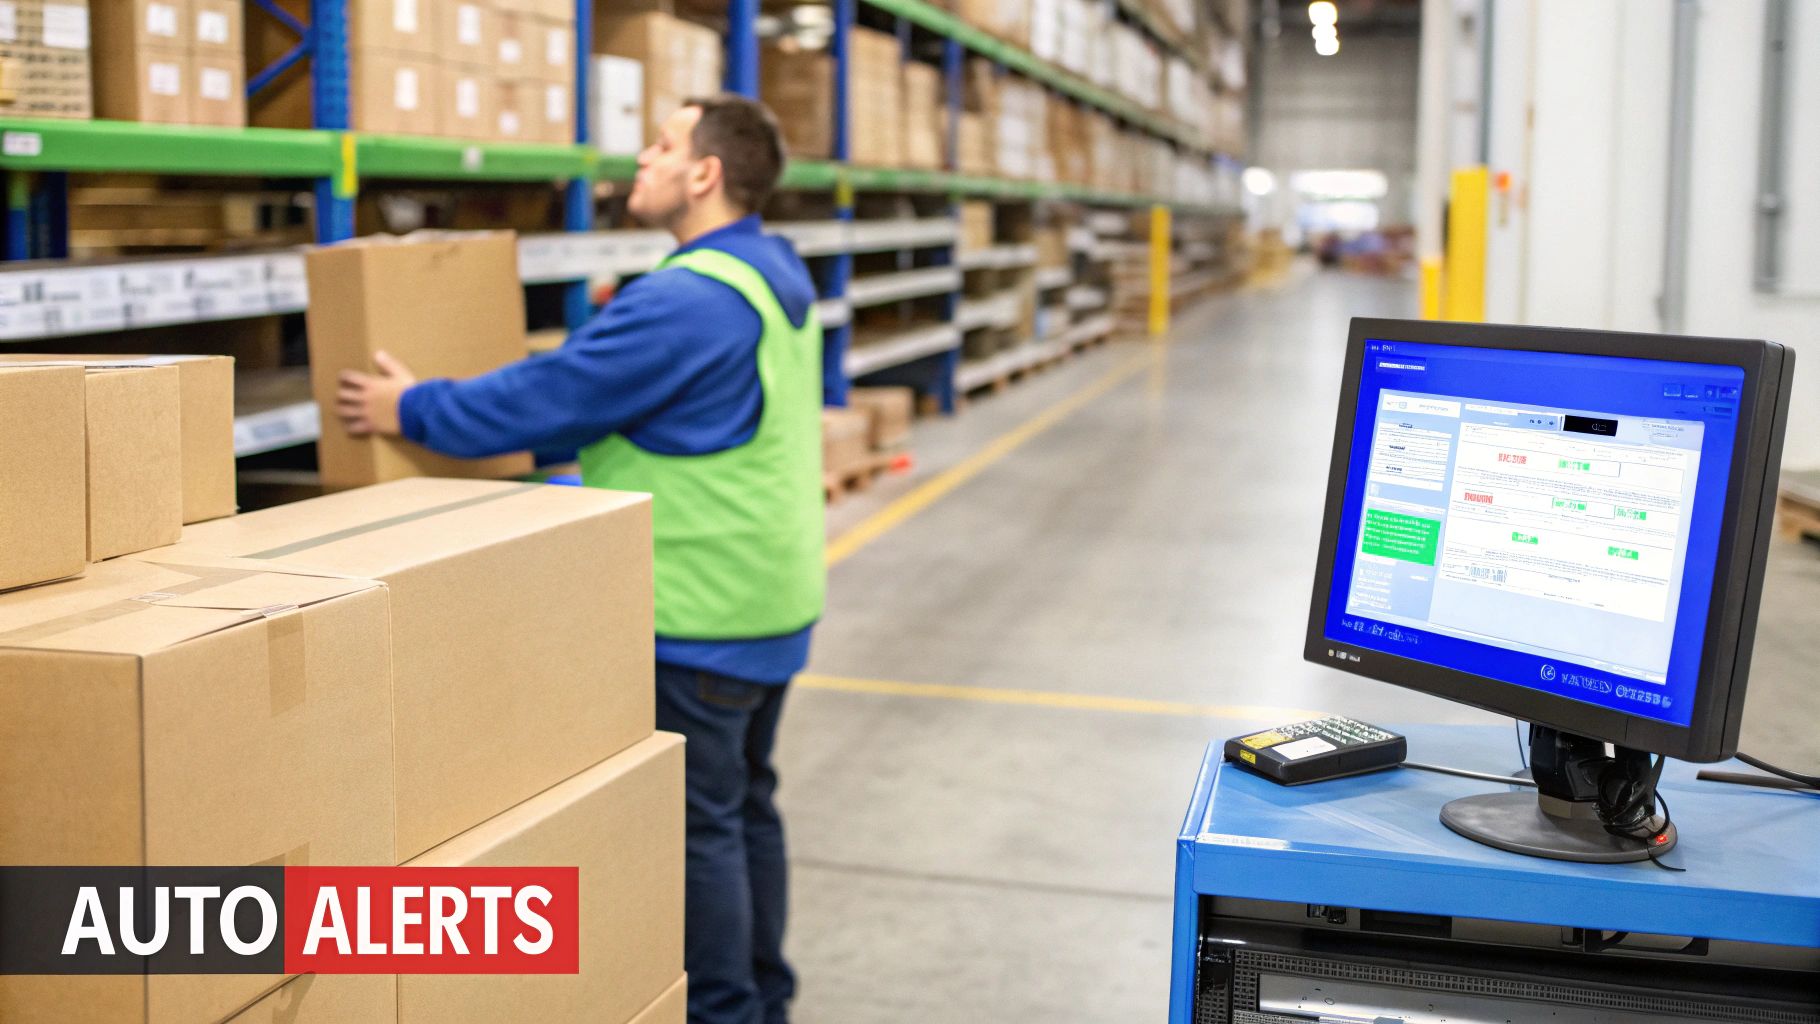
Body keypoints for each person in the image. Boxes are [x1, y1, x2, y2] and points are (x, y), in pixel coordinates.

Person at [336, 94, 829, 1024]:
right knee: (745, 808)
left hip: (697, 609)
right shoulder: (770, 270)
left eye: (661, 145)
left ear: (706, 174)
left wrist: (415, 410)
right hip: (772, 593)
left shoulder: (688, 297)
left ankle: (725, 1013)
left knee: (701, 830)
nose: (639, 160)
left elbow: (551, 398)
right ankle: (766, 1000)